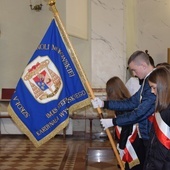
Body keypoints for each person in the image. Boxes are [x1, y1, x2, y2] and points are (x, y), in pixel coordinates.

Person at [91, 50, 156, 169]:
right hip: (146, 136)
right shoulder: (147, 81)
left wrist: (114, 122)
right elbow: (132, 102)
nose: (134, 74)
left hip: (154, 136)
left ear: (143, 65)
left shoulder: (155, 81)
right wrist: (104, 104)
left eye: (134, 70)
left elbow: (141, 112)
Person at [105, 76, 143, 170]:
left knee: (131, 166)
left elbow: (126, 127)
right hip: (129, 140)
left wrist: (121, 146)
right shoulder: (126, 101)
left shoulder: (122, 106)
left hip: (130, 142)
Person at [143, 66, 170, 170]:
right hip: (154, 162)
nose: (152, 91)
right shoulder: (161, 108)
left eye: (154, 87)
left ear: (163, 86)